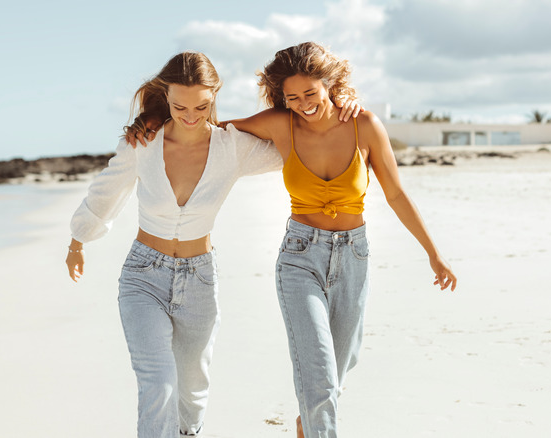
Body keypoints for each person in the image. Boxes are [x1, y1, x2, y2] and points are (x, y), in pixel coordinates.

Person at [128, 42, 457, 437]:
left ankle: (309, 421)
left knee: (340, 365)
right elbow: (207, 128)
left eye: (311, 94)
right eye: (292, 97)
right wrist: (152, 118)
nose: (303, 104)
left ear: (330, 85)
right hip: (301, 256)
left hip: (354, 255)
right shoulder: (280, 124)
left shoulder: (364, 125)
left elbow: (397, 194)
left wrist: (433, 254)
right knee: (318, 375)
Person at [65, 52, 286, 438]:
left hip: (200, 280)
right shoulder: (143, 142)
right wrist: (77, 240)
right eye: (180, 105)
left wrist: (340, 111)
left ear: (215, 96)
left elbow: (293, 146)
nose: (190, 115)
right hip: (143, 277)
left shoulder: (232, 147)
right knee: (158, 383)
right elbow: (106, 191)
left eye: (202, 106)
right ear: (164, 96)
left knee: (192, 392)